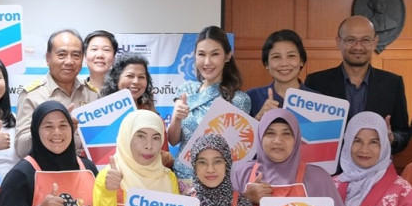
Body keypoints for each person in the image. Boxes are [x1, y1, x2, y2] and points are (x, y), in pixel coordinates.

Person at [305, 16, 411, 154]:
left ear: (375, 42)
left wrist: (393, 139)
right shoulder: (316, 82)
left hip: (374, 165)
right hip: (328, 164)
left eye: (365, 40)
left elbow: (403, 132)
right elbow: (306, 130)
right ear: (338, 42)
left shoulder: (393, 83)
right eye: (351, 40)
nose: (358, 47)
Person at [167, 25, 251, 182]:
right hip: (182, 180)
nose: (207, 62)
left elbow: (238, 149)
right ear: (195, 56)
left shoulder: (238, 100)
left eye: (215, 54)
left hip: (216, 181)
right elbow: (173, 140)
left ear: (227, 56)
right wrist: (177, 118)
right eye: (201, 54)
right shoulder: (186, 90)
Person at [14, 30, 96, 158]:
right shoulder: (32, 95)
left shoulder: (92, 94)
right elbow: (21, 148)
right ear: (48, 58)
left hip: (86, 168)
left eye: (76, 55)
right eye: (62, 55)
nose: (69, 61)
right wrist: (53, 128)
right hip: (47, 168)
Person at [103, 53, 172, 168]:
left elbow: (165, 158)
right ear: (116, 79)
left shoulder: (153, 117)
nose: (136, 81)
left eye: (141, 77)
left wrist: (164, 157)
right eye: (130, 76)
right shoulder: (100, 114)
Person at [246, 29, 310, 118]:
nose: (284, 63)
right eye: (276, 57)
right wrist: (258, 118)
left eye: (291, 56)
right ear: (267, 64)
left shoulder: (318, 100)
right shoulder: (251, 97)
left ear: (301, 61)